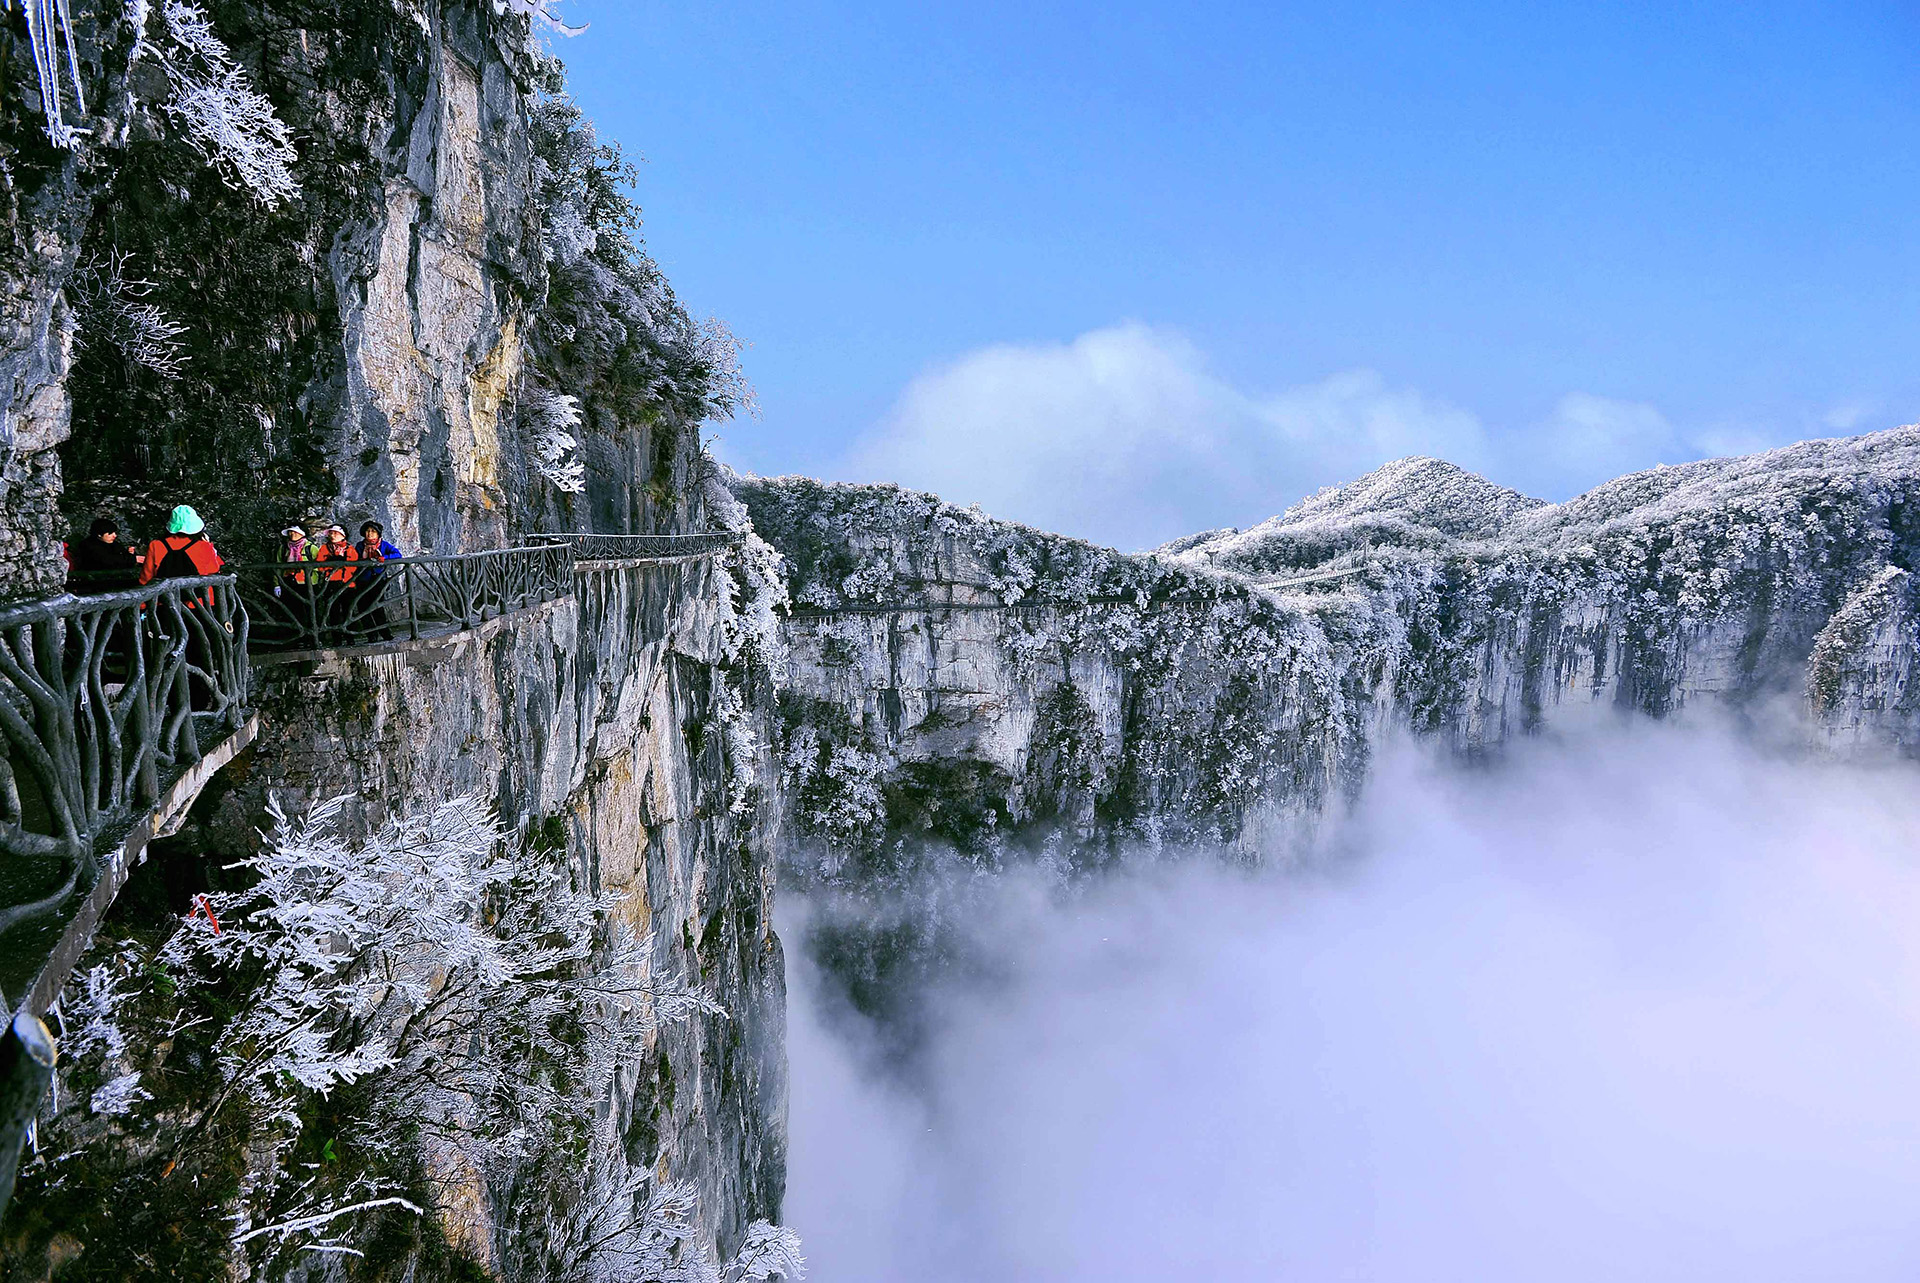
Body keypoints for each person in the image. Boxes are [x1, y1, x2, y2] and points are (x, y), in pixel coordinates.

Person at [140, 505, 224, 587]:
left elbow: (146, 577)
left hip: (166, 599)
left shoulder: (156, 545)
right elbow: (214, 570)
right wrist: (210, 547)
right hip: (197, 600)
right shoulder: (204, 546)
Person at [352, 521, 401, 640]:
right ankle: (371, 635)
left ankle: (385, 633)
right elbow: (354, 558)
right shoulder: (360, 545)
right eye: (368, 531)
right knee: (363, 608)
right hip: (363, 580)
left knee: (378, 607)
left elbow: (397, 554)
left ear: (378, 534)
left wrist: (384, 558)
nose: (370, 534)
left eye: (373, 531)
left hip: (378, 580)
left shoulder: (383, 545)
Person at [310, 525, 359, 642]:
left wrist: (341, 563)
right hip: (330, 584)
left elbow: (354, 566)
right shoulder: (324, 549)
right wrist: (332, 563)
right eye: (331, 533)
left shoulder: (349, 549)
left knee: (348, 610)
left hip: (346, 584)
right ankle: (337, 638)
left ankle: (350, 637)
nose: (332, 535)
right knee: (333, 612)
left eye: (335, 533)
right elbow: (319, 566)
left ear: (343, 535)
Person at [68, 517, 141, 592]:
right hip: (95, 583)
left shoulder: (113, 544)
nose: (114, 535)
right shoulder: (88, 545)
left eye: (114, 533)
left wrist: (130, 554)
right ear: (99, 534)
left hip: (113, 579)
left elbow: (122, 559)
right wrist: (132, 559)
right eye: (110, 533)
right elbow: (106, 560)